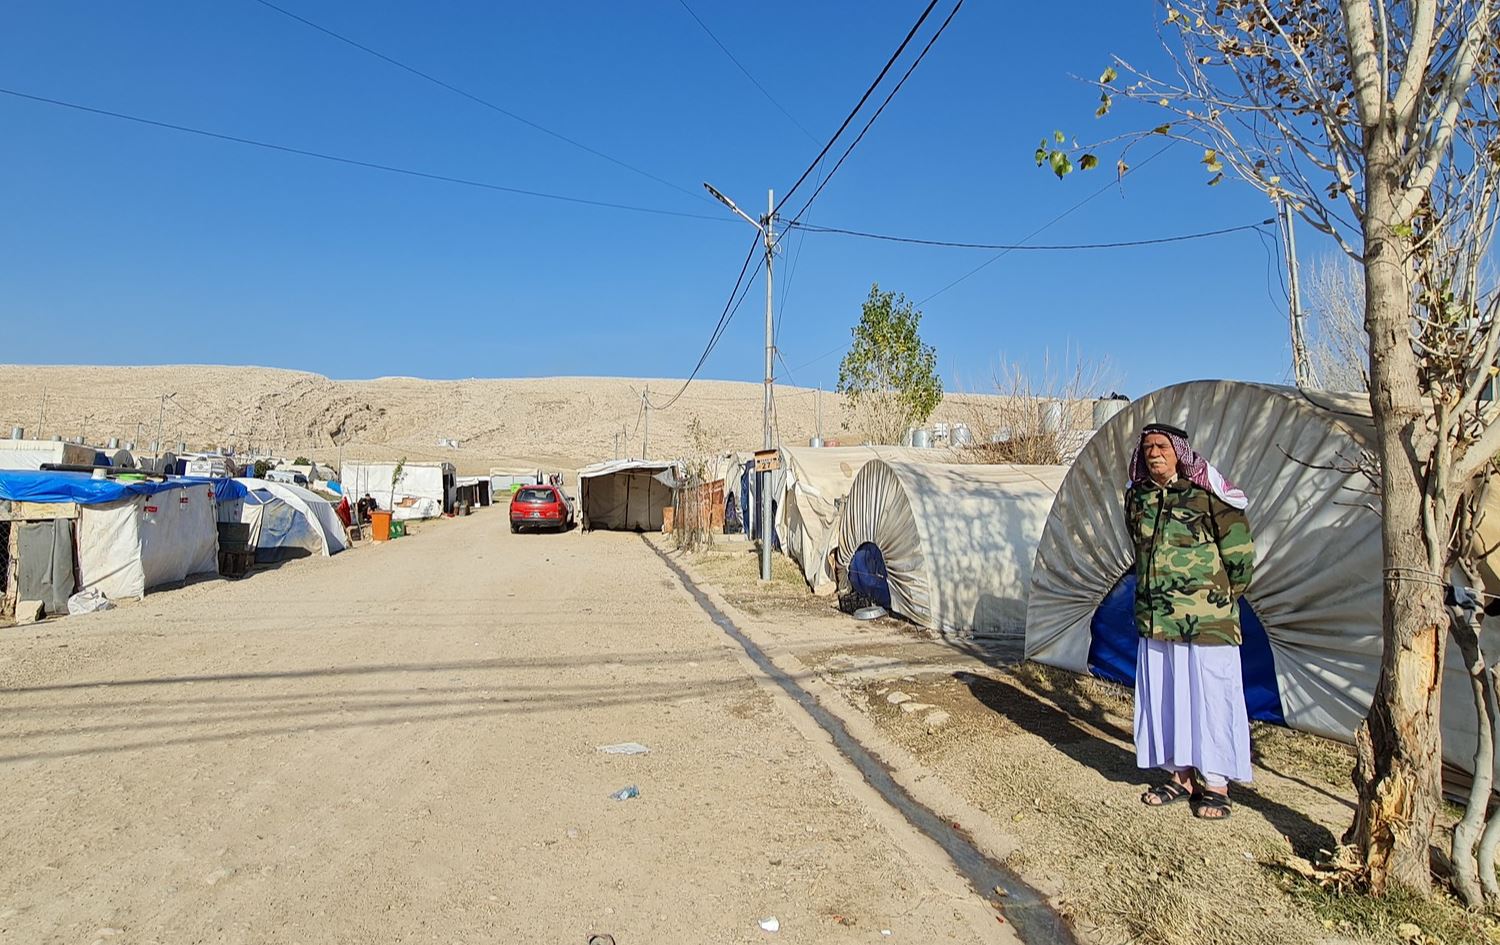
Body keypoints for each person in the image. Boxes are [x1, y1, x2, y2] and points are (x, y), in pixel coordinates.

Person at [1127, 422, 1255, 820]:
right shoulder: (1138, 499)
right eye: (1147, 447)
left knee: (1212, 698)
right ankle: (1178, 775)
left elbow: (1240, 555)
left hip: (1207, 621)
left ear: (1179, 452)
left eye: (1162, 446)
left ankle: (1216, 783)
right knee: (1165, 698)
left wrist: (1217, 598)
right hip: (1157, 620)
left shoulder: (1207, 495)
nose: (1153, 453)